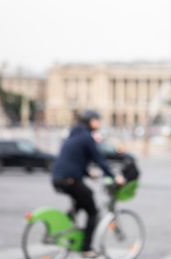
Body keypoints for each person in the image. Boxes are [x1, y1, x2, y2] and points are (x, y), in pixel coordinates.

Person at [51, 109, 125, 258]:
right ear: (90, 121)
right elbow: (99, 160)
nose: (99, 123)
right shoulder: (87, 137)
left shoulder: (74, 134)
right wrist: (114, 176)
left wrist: (86, 173)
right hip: (70, 179)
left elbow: (74, 159)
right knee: (92, 211)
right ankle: (86, 248)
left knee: (83, 199)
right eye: (97, 119)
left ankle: (69, 223)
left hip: (58, 178)